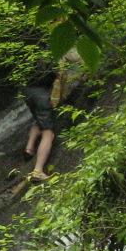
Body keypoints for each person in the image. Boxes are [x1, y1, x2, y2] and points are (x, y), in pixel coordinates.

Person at [23, 48, 83, 182]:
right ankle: (37, 171)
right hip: (43, 95)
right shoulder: (60, 48)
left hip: (27, 91)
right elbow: (78, 58)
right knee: (48, 133)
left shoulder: (37, 49)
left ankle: (29, 148)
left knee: (39, 120)